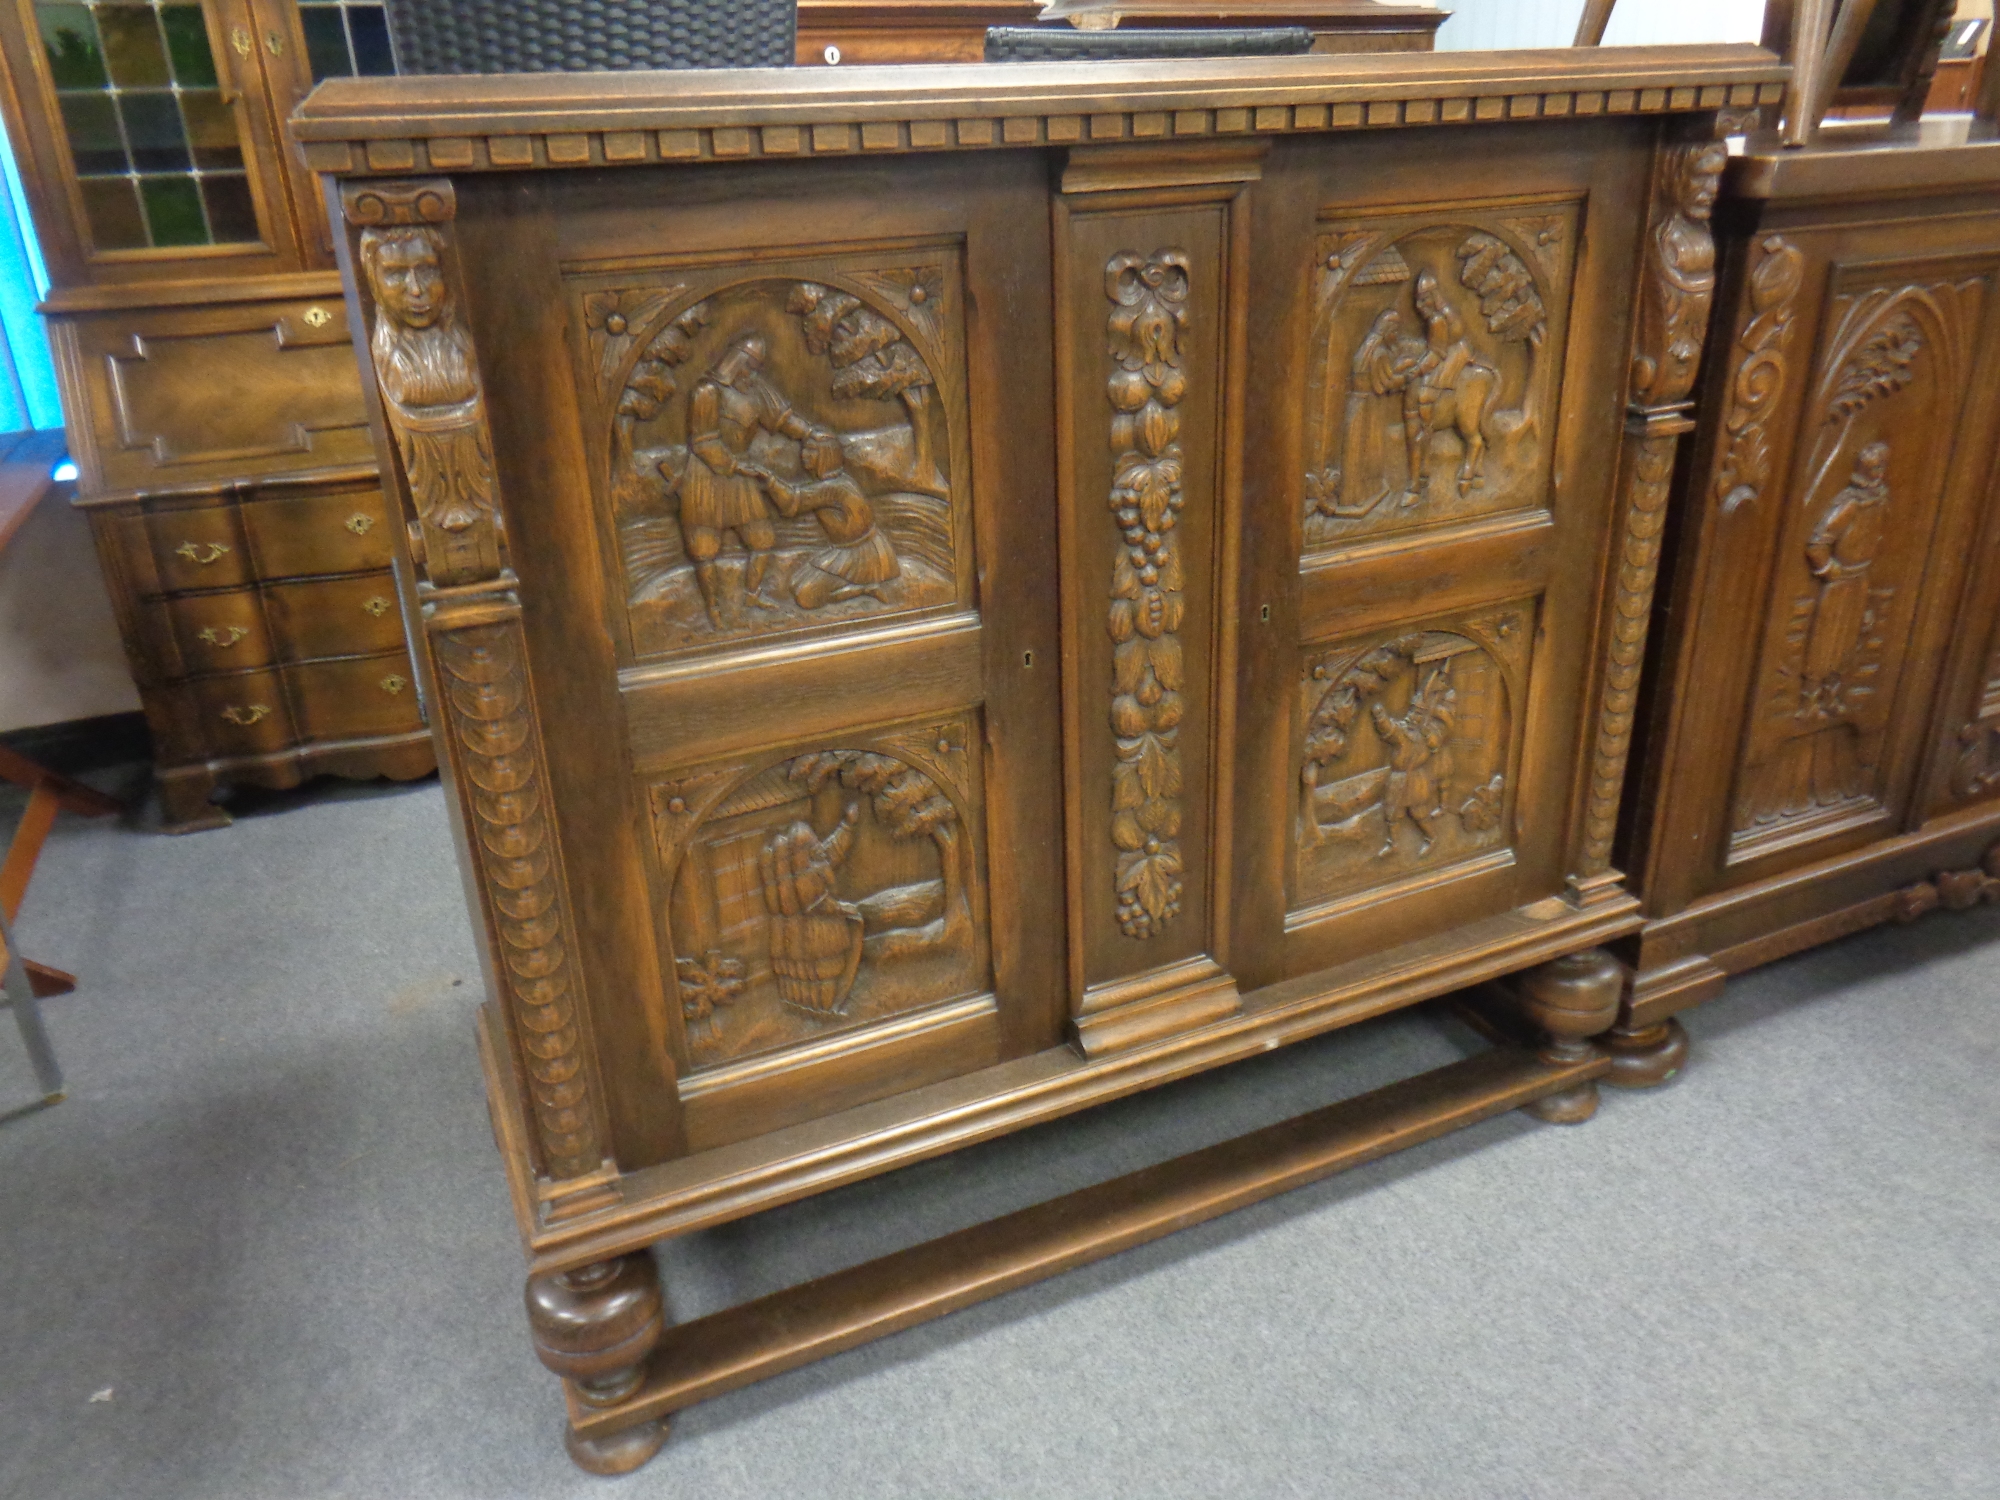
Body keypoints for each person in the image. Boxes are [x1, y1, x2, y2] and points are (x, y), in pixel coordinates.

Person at [677, 335, 818, 626]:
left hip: (741, 474)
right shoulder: (707, 392)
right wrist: (735, 465)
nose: (753, 373)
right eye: (750, 366)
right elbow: (703, 442)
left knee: (762, 538)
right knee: (704, 548)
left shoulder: (756, 390)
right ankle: (713, 609)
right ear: (737, 362)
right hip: (707, 477)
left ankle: (752, 594)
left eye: (756, 367)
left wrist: (810, 434)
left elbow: (781, 419)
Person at [755, 430, 901, 610]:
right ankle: (860, 587)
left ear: (826, 455)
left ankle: (863, 589)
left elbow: (793, 501)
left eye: (811, 451)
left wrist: (769, 481)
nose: (804, 455)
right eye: (804, 450)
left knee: (805, 597)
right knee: (795, 585)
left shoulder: (832, 487)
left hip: (861, 555)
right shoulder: (834, 481)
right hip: (848, 550)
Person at [1801, 441, 1892, 721]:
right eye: (1874, 467)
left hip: (1859, 579)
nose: (1879, 473)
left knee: (1848, 641)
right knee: (1825, 641)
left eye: (1882, 467)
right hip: (1840, 582)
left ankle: (1832, 697)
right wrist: (1829, 569)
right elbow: (1818, 541)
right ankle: (1809, 702)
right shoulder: (1851, 504)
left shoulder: (1878, 499)